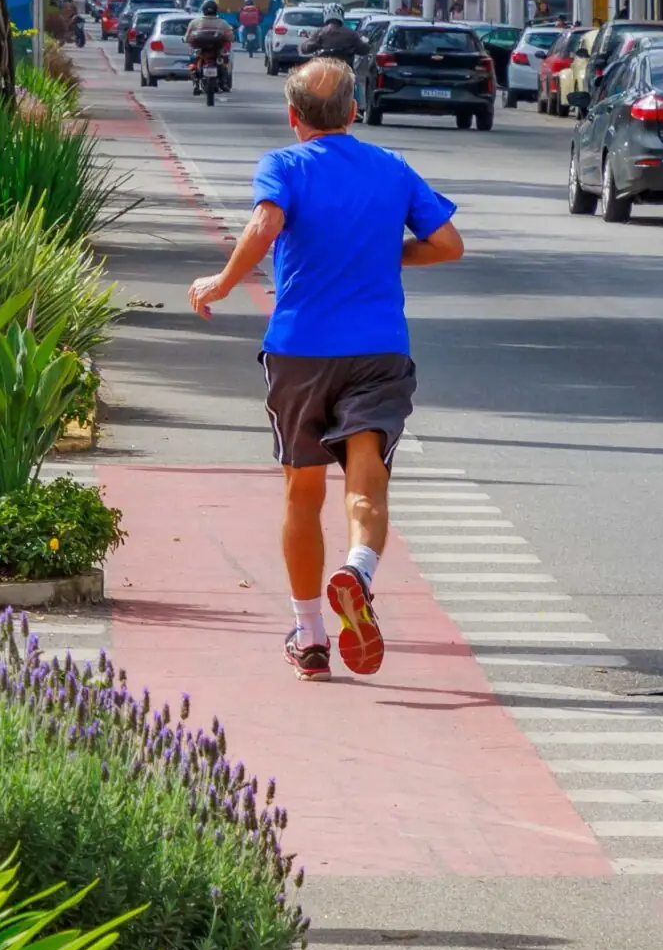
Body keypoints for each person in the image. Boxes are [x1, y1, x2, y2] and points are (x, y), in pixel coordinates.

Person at [187, 58, 465, 680]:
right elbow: (449, 245)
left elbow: (266, 222)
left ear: (293, 117)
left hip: (300, 350)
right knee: (367, 479)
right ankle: (358, 569)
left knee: (303, 490)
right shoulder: (392, 168)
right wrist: (382, 255)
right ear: (354, 111)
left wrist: (223, 282)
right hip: (378, 350)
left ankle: (310, 636)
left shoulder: (283, 166)